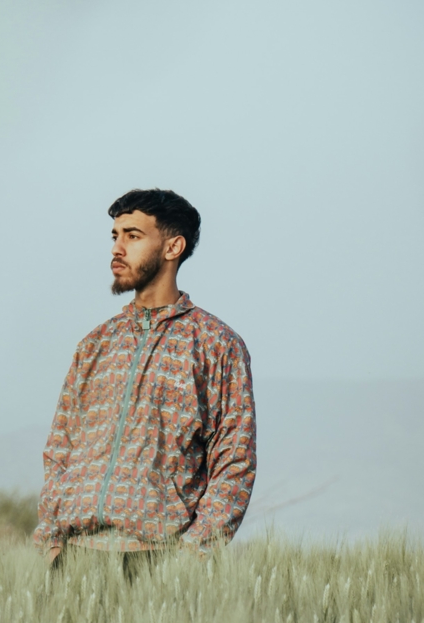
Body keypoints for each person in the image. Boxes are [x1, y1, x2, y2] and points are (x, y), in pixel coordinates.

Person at [33, 188, 256, 565]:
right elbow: (60, 447)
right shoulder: (96, 344)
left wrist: (194, 551)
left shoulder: (217, 345)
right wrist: (53, 540)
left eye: (133, 236)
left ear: (173, 248)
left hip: (162, 560)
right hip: (77, 557)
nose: (117, 249)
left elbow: (235, 460)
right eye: (115, 236)